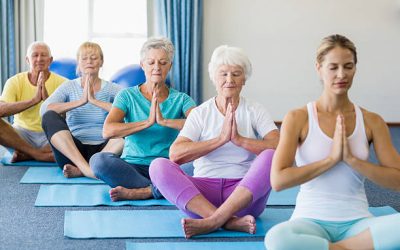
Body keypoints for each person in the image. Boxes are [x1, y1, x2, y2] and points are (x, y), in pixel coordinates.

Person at [265, 34, 400, 250]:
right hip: (309, 222)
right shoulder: (298, 117)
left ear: (355, 68)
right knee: (276, 239)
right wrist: (331, 159)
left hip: (358, 223)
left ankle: (331, 247)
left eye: (348, 66)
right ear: (318, 68)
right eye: (333, 67)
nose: (341, 74)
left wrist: (352, 160)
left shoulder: (372, 121)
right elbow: (278, 180)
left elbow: (397, 180)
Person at [149, 45, 280, 239]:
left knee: (272, 156)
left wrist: (240, 140)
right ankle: (228, 221)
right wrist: (219, 140)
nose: (229, 80)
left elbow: (279, 146)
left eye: (236, 74)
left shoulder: (255, 110)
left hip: (244, 197)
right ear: (214, 78)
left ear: (244, 79)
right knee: (158, 166)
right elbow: (175, 154)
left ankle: (212, 222)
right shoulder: (201, 113)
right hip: (201, 199)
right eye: (223, 74)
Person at [90, 37, 196, 201]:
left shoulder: (182, 99)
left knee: (199, 165)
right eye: (151, 62)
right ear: (142, 65)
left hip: (166, 166)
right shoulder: (127, 95)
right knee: (98, 161)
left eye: (162, 62)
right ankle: (161, 188)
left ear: (170, 66)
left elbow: (201, 126)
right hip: (132, 166)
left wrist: (165, 122)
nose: (156, 68)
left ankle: (144, 192)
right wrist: (146, 123)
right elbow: (108, 130)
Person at [40, 42, 123, 179]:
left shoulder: (111, 88)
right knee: (49, 117)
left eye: (94, 57)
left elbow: (133, 108)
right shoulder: (69, 86)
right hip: (73, 152)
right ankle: (89, 169)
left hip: (105, 150)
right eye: (84, 58)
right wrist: (80, 102)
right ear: (78, 62)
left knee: (130, 125)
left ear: (101, 62)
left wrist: (96, 102)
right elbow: (44, 109)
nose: (89, 61)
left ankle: (83, 170)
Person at [0, 42, 66, 162]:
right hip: (21, 136)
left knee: (79, 132)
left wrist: (47, 100)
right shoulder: (14, 81)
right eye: (35, 55)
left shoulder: (63, 83)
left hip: (50, 136)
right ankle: (38, 154)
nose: (39, 59)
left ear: (50, 60)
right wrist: (34, 100)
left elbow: (70, 116)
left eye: (43, 55)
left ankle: (27, 154)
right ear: (27, 59)